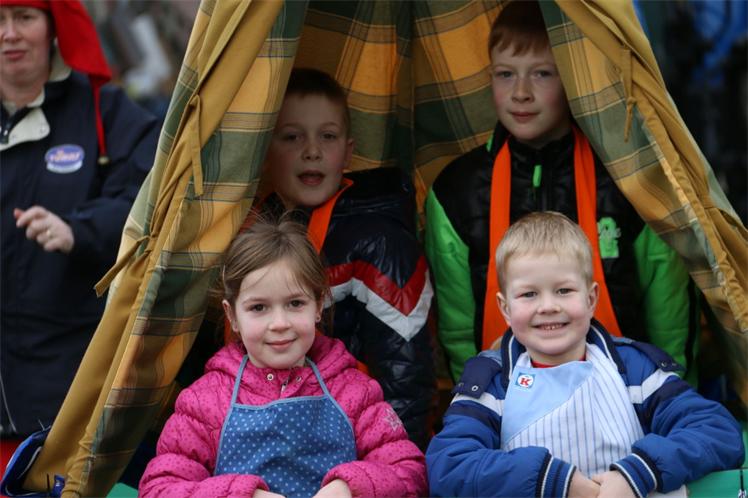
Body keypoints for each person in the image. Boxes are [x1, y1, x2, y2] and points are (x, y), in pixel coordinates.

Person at [424, 0, 692, 382]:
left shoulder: (626, 178)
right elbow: (457, 328)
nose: (520, 92)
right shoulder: (456, 190)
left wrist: (672, 390)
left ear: (573, 79)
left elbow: (668, 309)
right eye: (505, 74)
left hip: (625, 390)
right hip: (507, 395)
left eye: (542, 74)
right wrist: (475, 395)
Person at [426, 211, 744, 498]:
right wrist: (551, 480)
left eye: (564, 290)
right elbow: (449, 466)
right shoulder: (492, 383)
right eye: (529, 294)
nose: (548, 306)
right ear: (505, 309)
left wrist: (640, 471)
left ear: (591, 299)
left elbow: (716, 430)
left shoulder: (635, 370)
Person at [139, 217, 428, 498]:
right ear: (232, 315)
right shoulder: (205, 402)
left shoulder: (355, 392)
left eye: (295, 303)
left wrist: (351, 487)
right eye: (259, 308)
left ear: (318, 306)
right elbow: (158, 489)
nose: (279, 323)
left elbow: (409, 473)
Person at [246, 67, 435, 449]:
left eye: (327, 136)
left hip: (356, 446)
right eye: (292, 137)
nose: (312, 150)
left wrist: (387, 467)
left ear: (348, 152)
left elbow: (406, 386)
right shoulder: (245, 233)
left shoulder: (383, 245)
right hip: (263, 433)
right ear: (265, 151)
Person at [0, 0, 158, 455]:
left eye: (24, 17)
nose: (10, 34)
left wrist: (79, 230)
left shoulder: (106, 112)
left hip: (71, 393)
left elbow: (153, 199)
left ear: (53, 27)